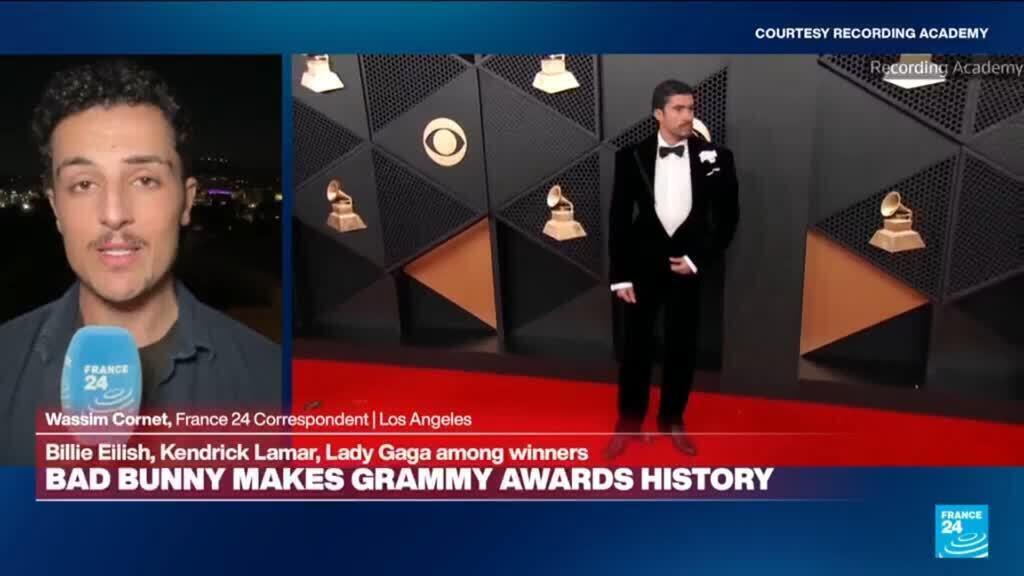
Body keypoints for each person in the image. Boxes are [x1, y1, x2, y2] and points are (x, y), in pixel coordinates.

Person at [0, 60, 280, 465]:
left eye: (145, 180)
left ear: (186, 201)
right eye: (84, 184)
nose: (114, 214)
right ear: (56, 208)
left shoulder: (273, 383)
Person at [605, 79, 739, 459]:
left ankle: (672, 419)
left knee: (682, 348)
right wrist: (620, 275)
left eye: (690, 108)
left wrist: (698, 259)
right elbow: (619, 218)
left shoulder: (717, 157)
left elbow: (728, 218)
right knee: (635, 349)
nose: (687, 116)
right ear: (658, 114)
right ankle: (629, 422)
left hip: (687, 269)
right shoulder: (630, 156)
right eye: (678, 109)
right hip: (641, 267)